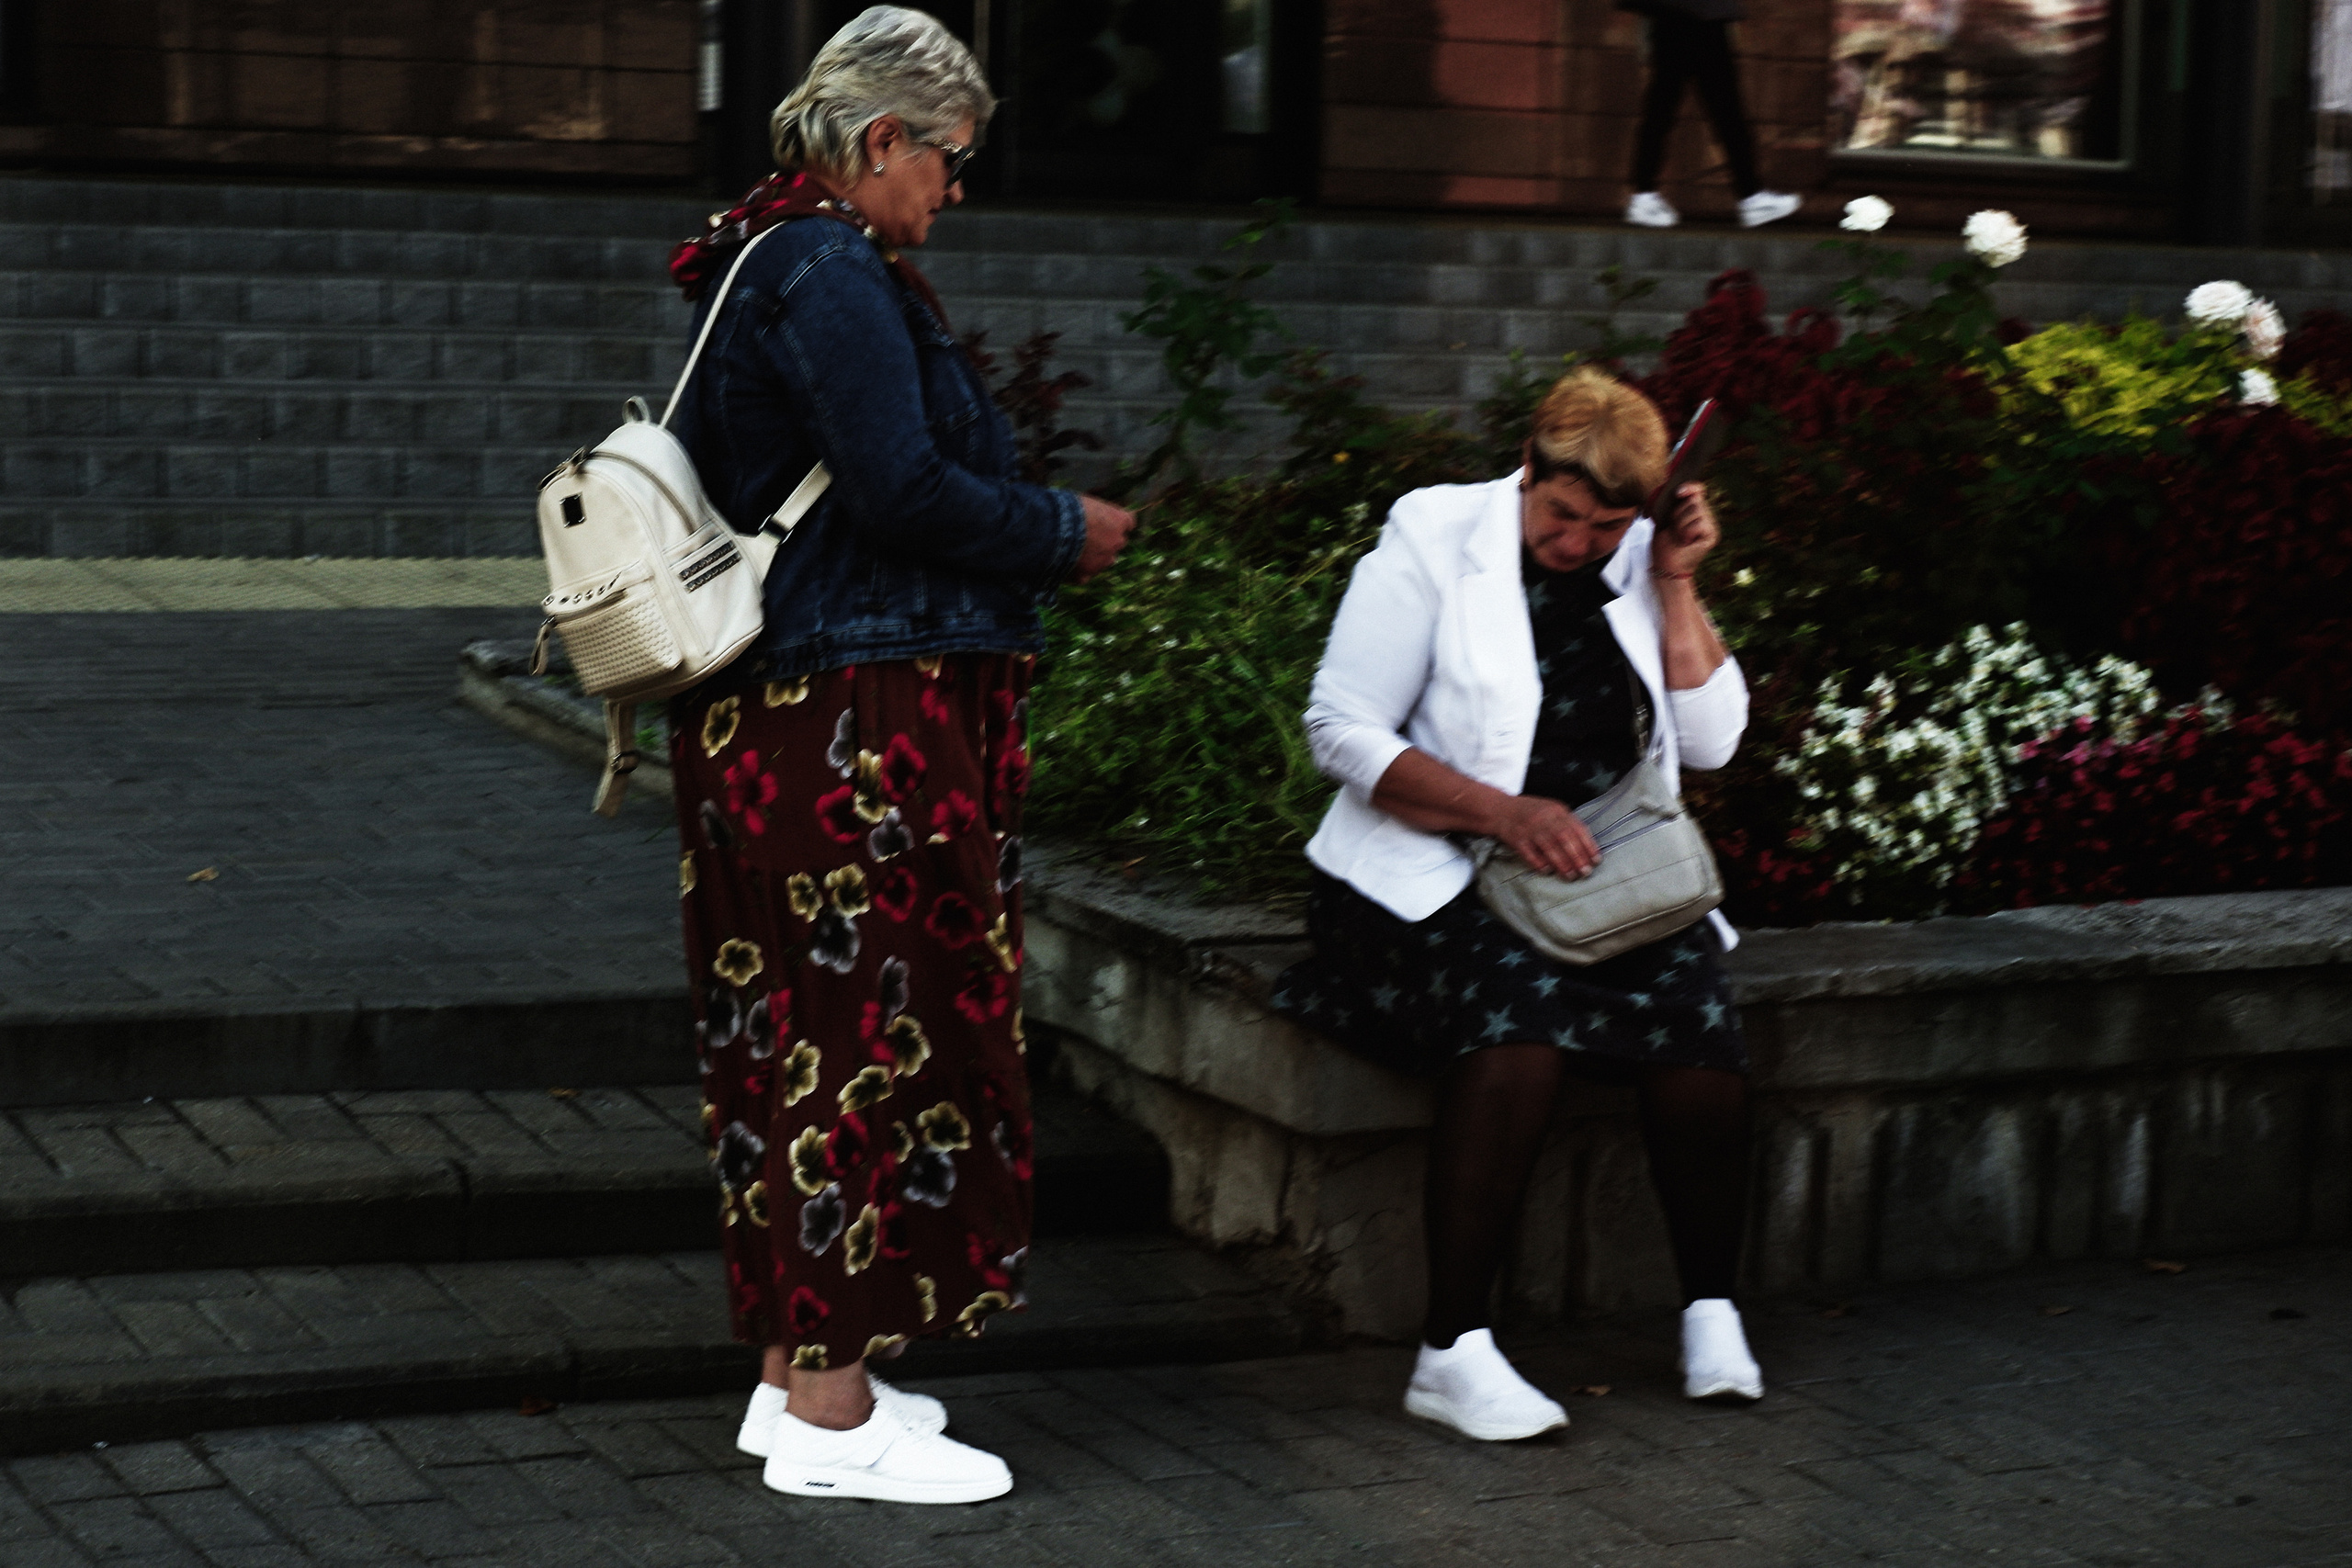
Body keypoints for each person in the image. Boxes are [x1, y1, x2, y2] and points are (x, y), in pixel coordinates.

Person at [662, 6, 1135, 1505]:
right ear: (882, 142)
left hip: (780, 714)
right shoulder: (824, 265)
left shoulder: (757, 245)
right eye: (950, 157)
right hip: (848, 719)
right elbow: (903, 486)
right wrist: (1067, 532)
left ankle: (791, 1373)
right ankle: (828, 1407)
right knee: (859, 1044)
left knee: (791, 1036)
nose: (956, 188)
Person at [1272, 367, 1763, 1441]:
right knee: (1518, 1031)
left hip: (1594, 874)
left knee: (1698, 1029)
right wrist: (1498, 811)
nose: (1577, 543)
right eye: (1561, 515)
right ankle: (1451, 1350)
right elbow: (1341, 731)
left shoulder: (1637, 558)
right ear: (1529, 468)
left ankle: (1709, 1308)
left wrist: (1676, 580)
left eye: (1604, 525)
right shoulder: (1433, 536)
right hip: (1425, 867)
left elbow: (1715, 740)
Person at [1618, 0, 1802, 229]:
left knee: (1666, 109)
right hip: (1695, 17)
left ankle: (1643, 194)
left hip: (1683, 16)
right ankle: (1751, 196)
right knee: (1723, 111)